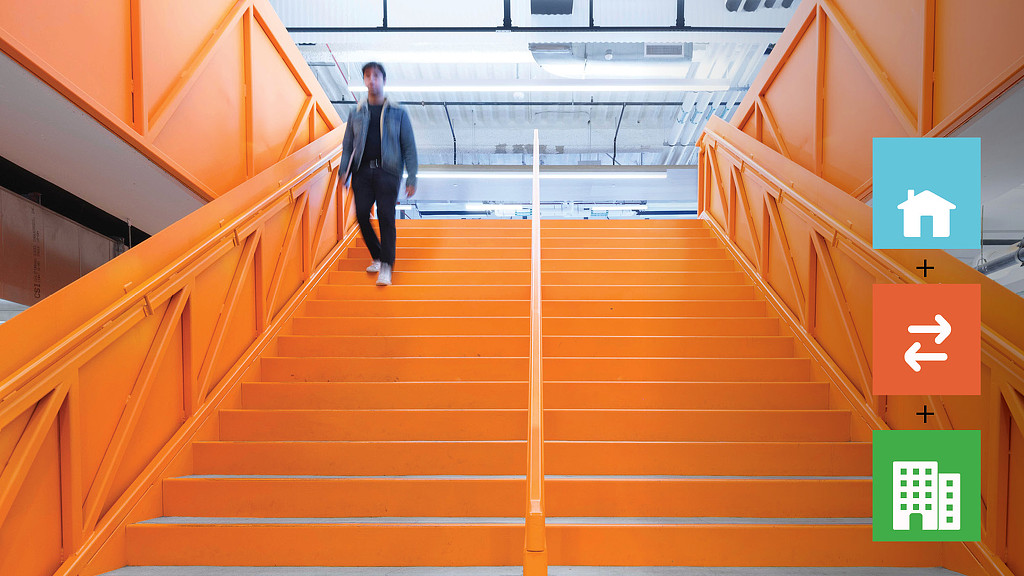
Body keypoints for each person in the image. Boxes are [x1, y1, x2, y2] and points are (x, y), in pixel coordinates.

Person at [340, 62, 418, 286]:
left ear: (383, 80)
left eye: (376, 76)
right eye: (367, 76)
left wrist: (412, 178)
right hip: (362, 172)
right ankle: (377, 255)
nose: (371, 80)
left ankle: (386, 266)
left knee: (385, 215)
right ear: (364, 81)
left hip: (388, 171)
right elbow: (347, 146)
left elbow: (409, 147)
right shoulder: (355, 113)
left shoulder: (398, 113)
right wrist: (343, 170)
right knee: (362, 215)